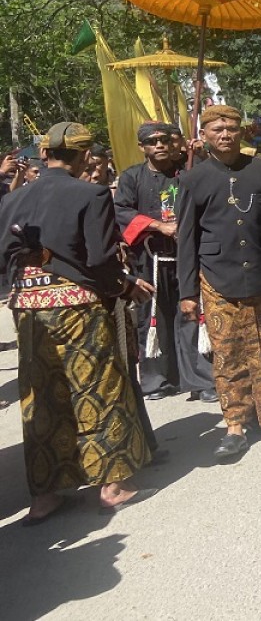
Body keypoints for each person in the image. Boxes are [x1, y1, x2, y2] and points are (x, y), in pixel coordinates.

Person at [0, 121, 156, 524]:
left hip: (28, 310)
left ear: (44, 154)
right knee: (98, 389)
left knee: (41, 397)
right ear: (85, 155)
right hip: (78, 306)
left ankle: (44, 495)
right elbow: (101, 259)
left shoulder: (13, 200)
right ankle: (113, 485)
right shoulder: (91, 194)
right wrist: (122, 288)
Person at [177, 105, 261, 460]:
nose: (225, 134)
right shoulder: (192, 179)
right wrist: (187, 292)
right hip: (216, 277)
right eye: (217, 128)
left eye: (231, 127)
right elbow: (186, 240)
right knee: (228, 352)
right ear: (204, 135)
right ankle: (234, 424)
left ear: (241, 131)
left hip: (260, 272)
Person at [114, 121, 216, 404]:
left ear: (173, 143)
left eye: (163, 140)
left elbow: (210, 194)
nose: (158, 145)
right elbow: (121, 210)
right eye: (151, 141)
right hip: (151, 259)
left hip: (187, 258)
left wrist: (204, 155)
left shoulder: (188, 171)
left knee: (192, 315)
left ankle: (200, 380)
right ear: (142, 147)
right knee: (153, 319)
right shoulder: (131, 177)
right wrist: (159, 226)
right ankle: (159, 380)